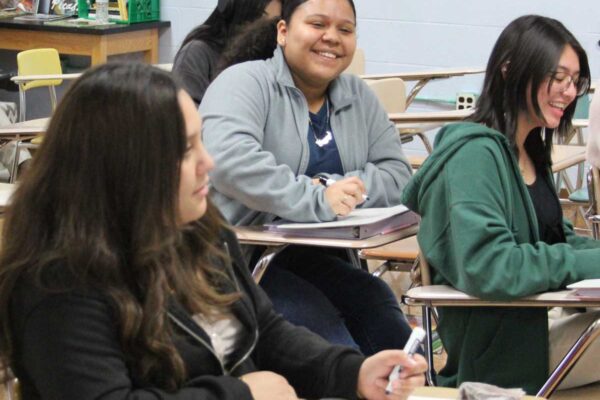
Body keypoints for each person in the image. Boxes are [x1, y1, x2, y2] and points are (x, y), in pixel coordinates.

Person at [0, 62, 427, 399]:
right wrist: (240, 394)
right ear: (125, 169)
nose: (209, 162)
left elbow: (266, 332)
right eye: (187, 149)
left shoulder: (198, 232)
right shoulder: (59, 284)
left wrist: (353, 372)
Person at [201, 0, 415, 356]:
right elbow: (228, 161)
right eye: (317, 24)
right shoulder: (245, 83)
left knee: (391, 328)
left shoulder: (358, 97)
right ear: (283, 32)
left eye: (345, 30)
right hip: (242, 262)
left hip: (321, 258)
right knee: (332, 348)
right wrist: (315, 198)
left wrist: (336, 189)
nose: (331, 37)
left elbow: (397, 175)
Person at [402, 15, 600, 394]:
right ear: (509, 71)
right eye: (557, 78)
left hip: (537, 322)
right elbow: (491, 266)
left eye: (575, 82)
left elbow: (555, 240)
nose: (570, 91)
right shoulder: (475, 155)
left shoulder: (529, 150)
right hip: (505, 353)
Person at [172, 0, 281, 105]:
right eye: (263, 19)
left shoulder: (270, 58)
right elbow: (185, 118)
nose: (269, 31)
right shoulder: (197, 53)